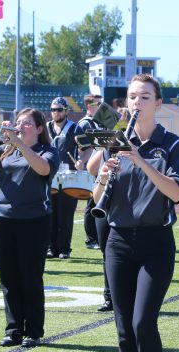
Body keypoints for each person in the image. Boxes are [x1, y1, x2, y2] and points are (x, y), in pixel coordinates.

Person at [93, 74, 179, 352]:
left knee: (142, 325)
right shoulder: (115, 141)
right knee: (123, 330)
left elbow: (175, 193)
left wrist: (139, 158)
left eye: (145, 97)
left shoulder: (172, 143)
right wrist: (104, 176)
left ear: (158, 103)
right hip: (118, 241)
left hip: (156, 243)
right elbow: (96, 199)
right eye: (133, 97)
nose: (138, 102)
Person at [0, 108, 59, 348]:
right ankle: (13, 329)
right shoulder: (6, 150)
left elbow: (43, 169)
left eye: (27, 124)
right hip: (3, 219)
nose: (21, 126)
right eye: (19, 122)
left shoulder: (47, 151)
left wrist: (21, 145)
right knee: (9, 278)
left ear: (39, 129)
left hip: (34, 221)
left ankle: (33, 331)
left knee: (30, 278)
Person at [47, 97, 91, 259]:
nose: (55, 113)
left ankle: (65, 249)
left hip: (69, 177)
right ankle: (51, 248)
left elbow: (87, 148)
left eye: (59, 110)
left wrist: (81, 161)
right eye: (53, 110)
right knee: (50, 213)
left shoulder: (75, 128)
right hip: (50, 177)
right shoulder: (46, 128)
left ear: (66, 111)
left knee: (65, 215)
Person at [78, 94, 104, 251]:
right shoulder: (84, 124)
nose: (100, 106)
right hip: (90, 166)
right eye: (97, 103)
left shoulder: (98, 122)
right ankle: (91, 239)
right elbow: (82, 148)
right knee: (92, 202)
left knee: (99, 201)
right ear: (89, 106)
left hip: (100, 165)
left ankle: (97, 236)